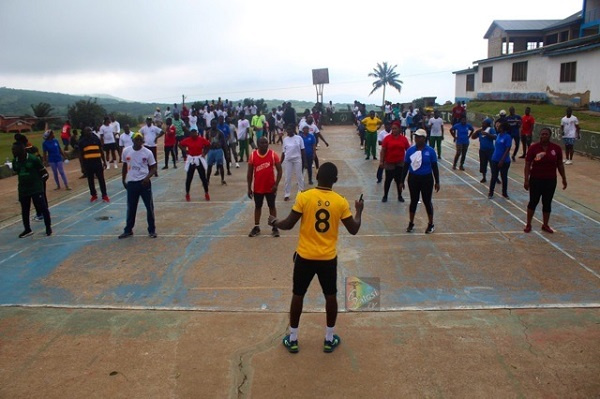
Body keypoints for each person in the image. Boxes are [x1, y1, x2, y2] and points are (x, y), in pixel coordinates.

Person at [268, 162, 363, 354]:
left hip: (305, 256)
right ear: (335, 181)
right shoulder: (340, 201)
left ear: (317, 175)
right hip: (327, 258)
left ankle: (293, 338)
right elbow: (353, 229)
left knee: (298, 295)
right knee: (330, 296)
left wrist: (274, 221)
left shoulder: (305, 197)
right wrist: (359, 210)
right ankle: (329, 339)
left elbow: (288, 223)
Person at [523, 127, 567, 234]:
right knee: (533, 202)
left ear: (550, 135)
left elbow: (560, 164)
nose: (544, 136)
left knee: (547, 203)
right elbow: (528, 164)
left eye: (546, 134)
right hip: (536, 180)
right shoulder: (533, 148)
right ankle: (528, 224)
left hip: (550, 180)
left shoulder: (556, 148)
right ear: (540, 135)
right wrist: (526, 180)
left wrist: (564, 178)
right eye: (542, 134)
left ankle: (545, 224)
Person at [119, 132, 157, 239]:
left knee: (149, 207)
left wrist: (147, 178)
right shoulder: (126, 151)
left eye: (140, 139)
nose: (139, 141)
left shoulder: (147, 152)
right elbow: (125, 166)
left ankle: (152, 230)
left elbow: (154, 167)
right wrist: (123, 180)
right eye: (136, 139)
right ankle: (128, 230)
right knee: (131, 207)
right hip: (132, 183)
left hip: (144, 183)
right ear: (133, 140)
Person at [400, 129, 439, 234]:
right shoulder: (410, 151)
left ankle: (431, 224)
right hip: (413, 178)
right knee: (413, 200)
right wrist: (402, 180)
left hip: (427, 178)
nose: (416, 138)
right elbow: (406, 166)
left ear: (424, 138)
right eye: (415, 136)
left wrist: (437, 181)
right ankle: (411, 223)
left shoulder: (430, 151)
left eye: (418, 136)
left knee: (427, 201)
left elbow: (435, 167)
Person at [12, 141, 52, 237]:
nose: (13, 151)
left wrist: (39, 184)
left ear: (21, 149)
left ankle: (48, 227)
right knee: (25, 209)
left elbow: (45, 173)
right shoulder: (15, 161)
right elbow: (17, 171)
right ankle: (27, 229)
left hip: (36, 189)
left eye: (14, 149)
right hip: (23, 189)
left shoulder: (33, 159)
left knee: (43, 208)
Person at [247, 137, 282, 237]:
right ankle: (256, 226)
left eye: (266, 142)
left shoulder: (272, 154)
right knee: (258, 207)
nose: (264, 144)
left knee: (272, 206)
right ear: (258, 144)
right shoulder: (253, 156)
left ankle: (274, 226)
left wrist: (276, 184)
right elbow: (249, 173)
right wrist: (249, 188)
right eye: (262, 143)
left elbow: (280, 170)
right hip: (258, 187)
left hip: (271, 187)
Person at [380, 121, 410, 202]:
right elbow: (383, 150)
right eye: (393, 129)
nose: (394, 130)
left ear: (399, 129)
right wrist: (381, 161)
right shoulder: (387, 139)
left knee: (399, 180)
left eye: (395, 129)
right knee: (388, 180)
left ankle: (400, 196)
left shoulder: (404, 139)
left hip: (400, 163)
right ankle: (385, 195)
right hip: (389, 162)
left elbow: (408, 150)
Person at [79, 126, 109, 203]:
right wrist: (82, 166)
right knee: (90, 180)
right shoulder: (82, 142)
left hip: (97, 162)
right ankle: (93, 195)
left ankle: (104, 195)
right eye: (87, 131)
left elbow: (101, 151)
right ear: (84, 132)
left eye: (90, 131)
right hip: (88, 164)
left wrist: (104, 161)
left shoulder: (96, 139)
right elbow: (80, 155)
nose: (89, 132)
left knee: (101, 179)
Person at [179, 128, 211, 201]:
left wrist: (204, 153)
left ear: (197, 133)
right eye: (193, 134)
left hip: (199, 158)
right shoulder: (188, 140)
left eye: (195, 133)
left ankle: (206, 193)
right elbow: (180, 144)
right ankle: (187, 193)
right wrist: (185, 151)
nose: (194, 135)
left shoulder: (201, 139)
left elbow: (208, 145)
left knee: (203, 178)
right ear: (191, 134)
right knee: (189, 178)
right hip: (191, 159)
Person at [281, 124, 306, 201]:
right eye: (287, 130)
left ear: (293, 130)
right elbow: (283, 152)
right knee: (287, 177)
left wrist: (304, 162)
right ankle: (287, 194)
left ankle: (301, 192)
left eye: (290, 129)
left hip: (297, 159)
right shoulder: (285, 139)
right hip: (288, 160)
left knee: (299, 176)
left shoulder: (299, 138)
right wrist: (280, 162)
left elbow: (302, 150)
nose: (289, 131)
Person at [488, 122, 512, 200]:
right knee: (494, 176)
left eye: (499, 127)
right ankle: (491, 192)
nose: (497, 128)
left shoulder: (507, 137)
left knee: (504, 176)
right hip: (495, 159)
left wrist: (502, 160)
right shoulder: (498, 135)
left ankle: (504, 192)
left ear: (502, 128)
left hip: (504, 161)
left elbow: (507, 149)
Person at [471, 118, 497, 183]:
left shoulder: (491, 130)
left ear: (487, 124)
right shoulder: (480, 131)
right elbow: (473, 137)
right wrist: (477, 131)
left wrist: (487, 134)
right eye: (482, 123)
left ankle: (495, 177)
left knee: (492, 164)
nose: (482, 124)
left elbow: (495, 137)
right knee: (483, 164)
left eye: (484, 123)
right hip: (482, 150)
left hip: (490, 150)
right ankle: (484, 177)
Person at [205, 119, 227, 185]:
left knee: (220, 165)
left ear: (216, 124)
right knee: (209, 166)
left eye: (215, 124)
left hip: (218, 150)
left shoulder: (220, 133)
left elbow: (224, 144)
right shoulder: (208, 133)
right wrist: (204, 152)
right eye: (212, 124)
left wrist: (226, 153)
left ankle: (222, 179)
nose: (214, 125)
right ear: (211, 124)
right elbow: (206, 143)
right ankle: (207, 180)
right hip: (210, 150)